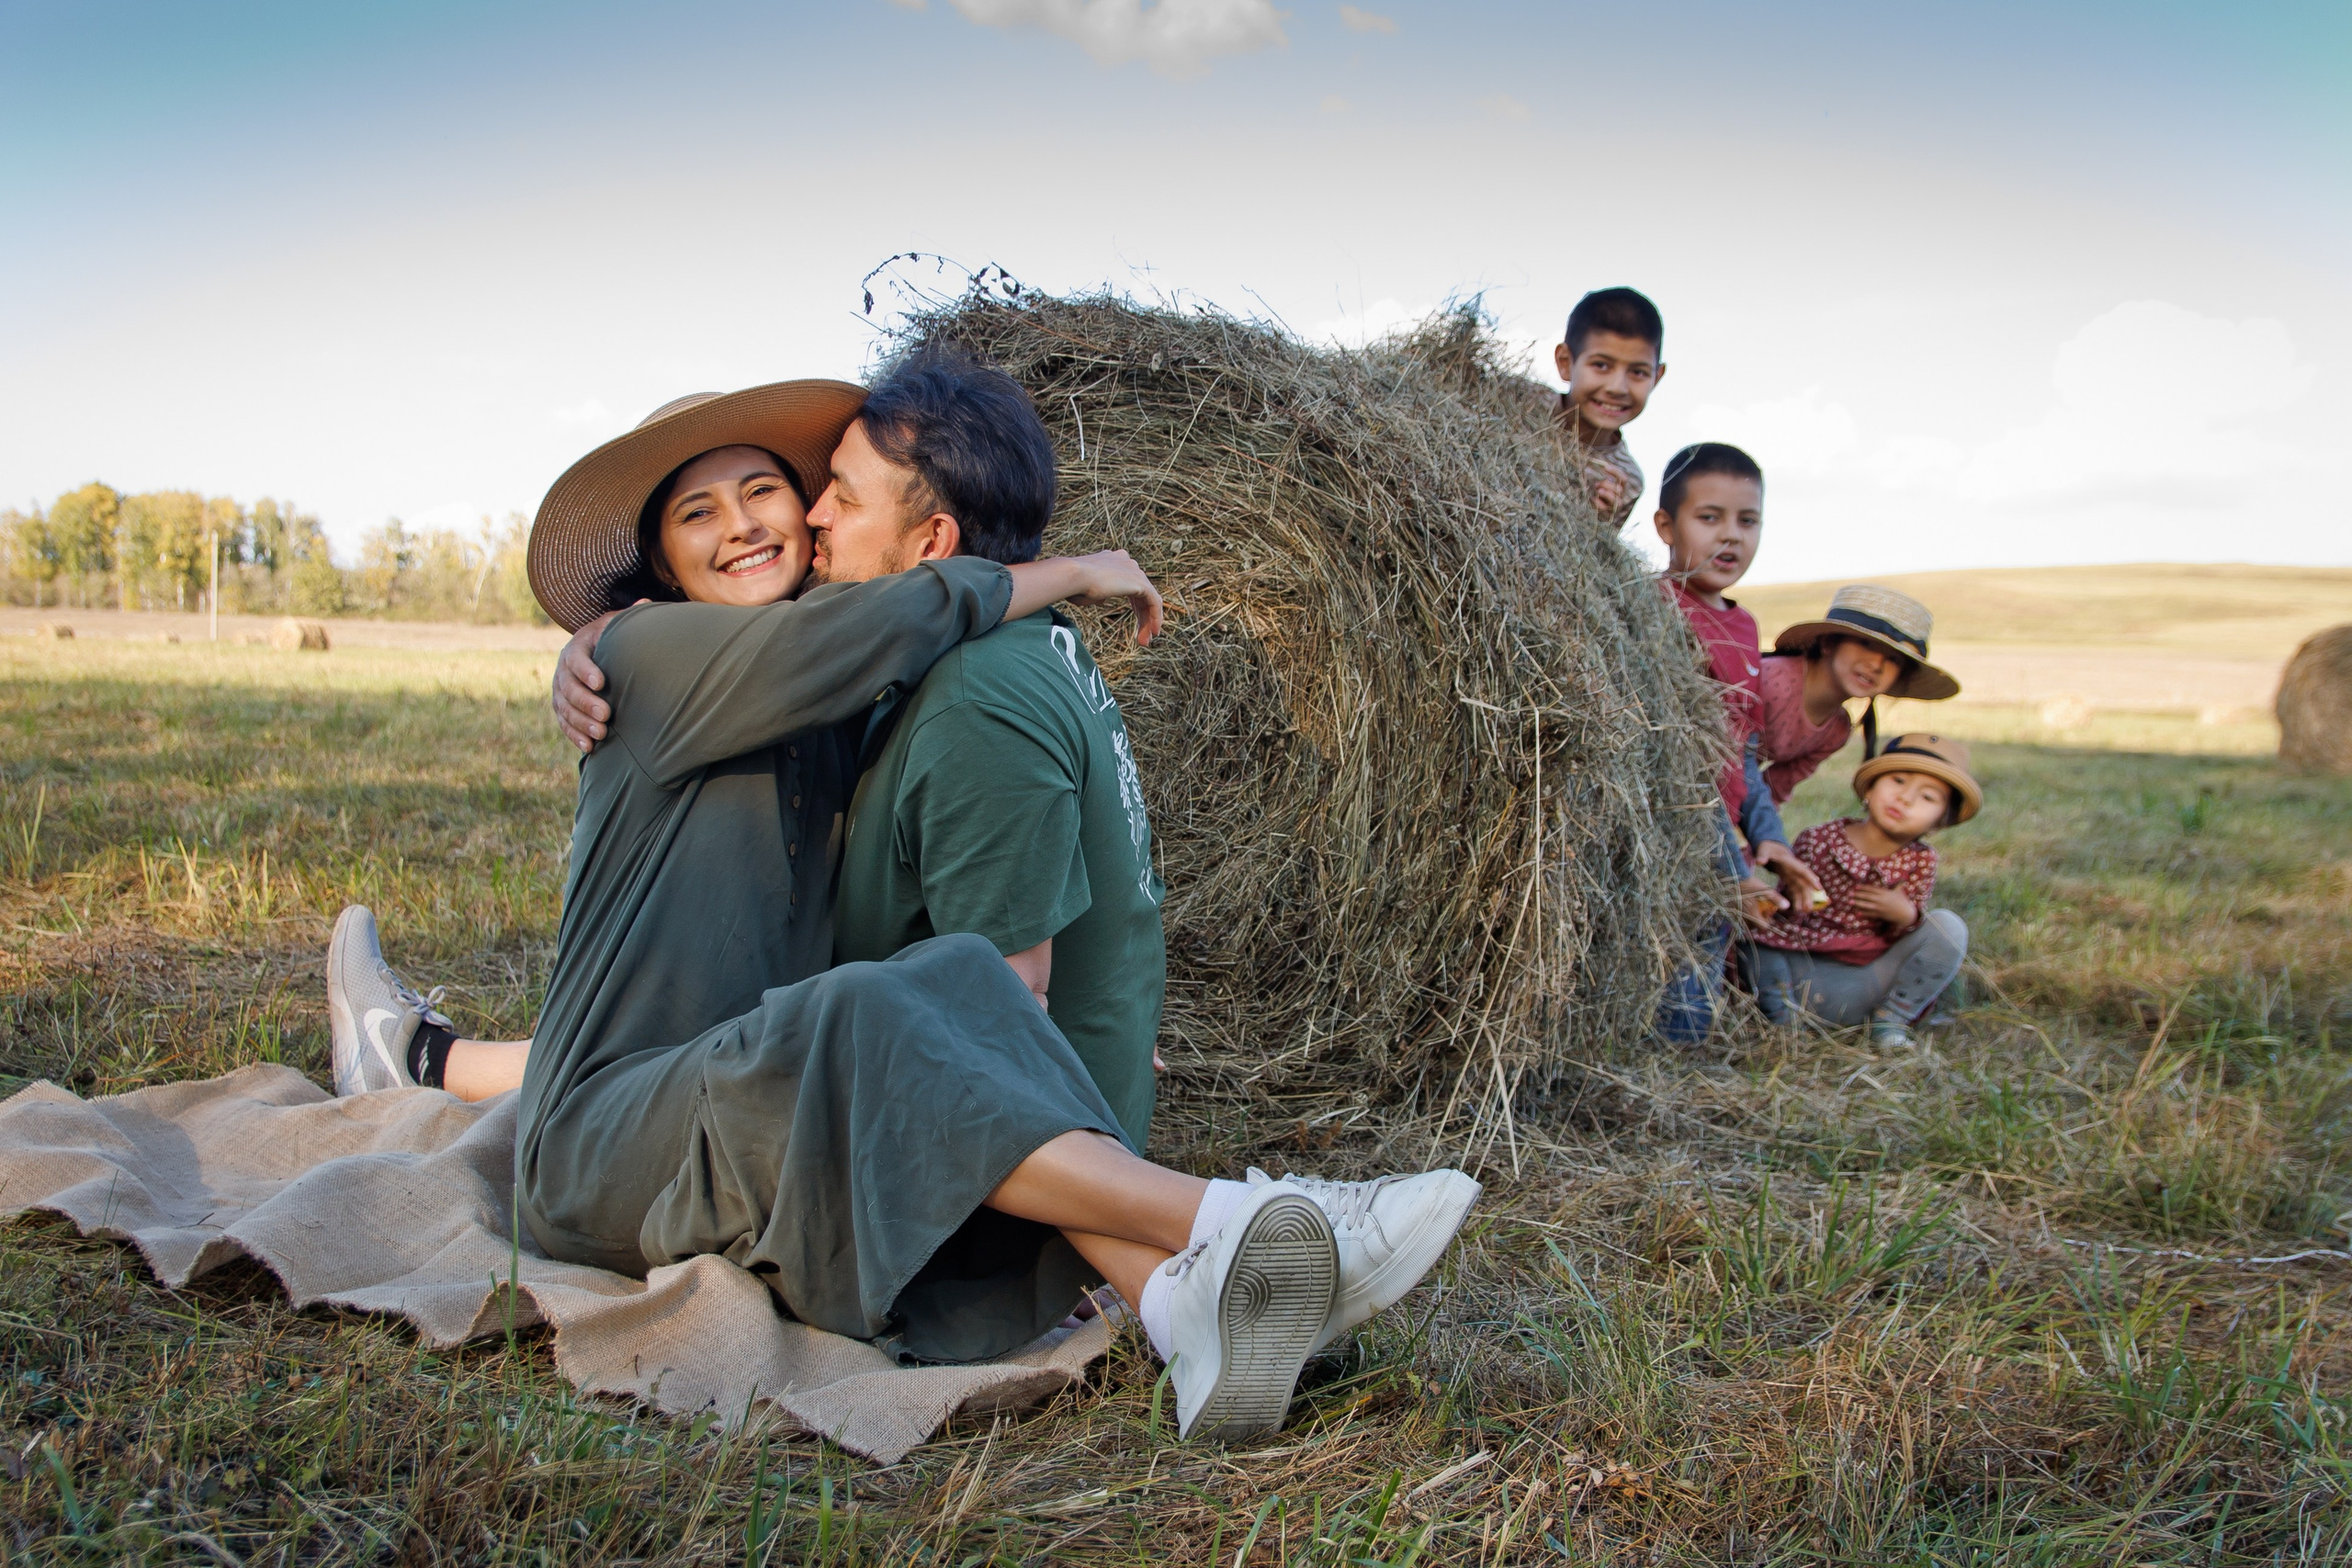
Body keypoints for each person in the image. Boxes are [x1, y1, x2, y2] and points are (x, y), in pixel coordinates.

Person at [328, 371, 1477, 1440]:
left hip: (735, 1097)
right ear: (659, 568)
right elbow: (904, 613)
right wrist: (1073, 572)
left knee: (935, 988)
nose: (752, 525)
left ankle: (1185, 1319)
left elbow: (882, 650)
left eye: (773, 491)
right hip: (601, 1151)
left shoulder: (830, 710)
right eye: (696, 515)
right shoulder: (654, 655)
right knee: (879, 1007)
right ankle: (1253, 1225)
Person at [1650, 442, 1822, 1044]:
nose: (1731, 536)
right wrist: (1731, 866)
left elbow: (1741, 751)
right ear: (1665, 526)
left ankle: (1675, 1062)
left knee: (1701, 958)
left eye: (1748, 521)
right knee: (1654, 949)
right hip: (1664, 827)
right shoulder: (1651, 609)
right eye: (1710, 517)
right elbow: (1669, 757)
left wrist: (1769, 838)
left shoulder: (1744, 625)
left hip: (1720, 826)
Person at [1741, 734, 1979, 1048]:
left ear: (1939, 821)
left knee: (1948, 926)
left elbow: (1913, 929)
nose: (1905, 798)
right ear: (1869, 788)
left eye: (1927, 798)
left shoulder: (1921, 859)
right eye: (1897, 781)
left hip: (1870, 981)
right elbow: (1787, 909)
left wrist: (1905, 914)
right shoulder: (1819, 839)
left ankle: (1891, 1020)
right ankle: (1783, 1022)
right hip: (1804, 972)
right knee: (1752, 938)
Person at [1759, 585, 1962, 805]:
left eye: (1894, 659)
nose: (1876, 665)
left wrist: (1765, 836)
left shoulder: (1837, 730)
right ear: (1829, 642)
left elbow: (1775, 789)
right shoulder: (1774, 679)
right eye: (1866, 644)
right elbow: (1737, 765)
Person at [1545, 287, 1665, 526]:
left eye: (1638, 372)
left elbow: (1588, 556)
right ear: (1566, 363)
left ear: (1656, 377)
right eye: (1601, 365)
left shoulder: (1626, 480)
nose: (1617, 387)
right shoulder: (1520, 401)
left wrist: (1596, 519)